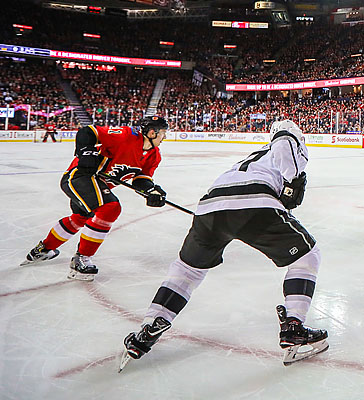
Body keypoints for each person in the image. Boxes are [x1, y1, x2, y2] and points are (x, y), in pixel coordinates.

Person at [119, 120, 327, 371]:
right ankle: (294, 326)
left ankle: (151, 326)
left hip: (209, 206)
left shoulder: (254, 156)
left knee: (187, 270)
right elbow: (284, 138)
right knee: (306, 257)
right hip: (254, 201)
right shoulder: (289, 142)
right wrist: (296, 177)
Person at [22, 116, 169, 280]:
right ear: (152, 132)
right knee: (111, 207)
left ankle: (42, 250)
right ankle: (81, 259)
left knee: (80, 218)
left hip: (97, 185)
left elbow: (142, 179)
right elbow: (88, 132)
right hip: (79, 176)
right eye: (163, 133)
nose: (165, 137)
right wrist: (86, 152)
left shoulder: (154, 155)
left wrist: (151, 192)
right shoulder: (126, 136)